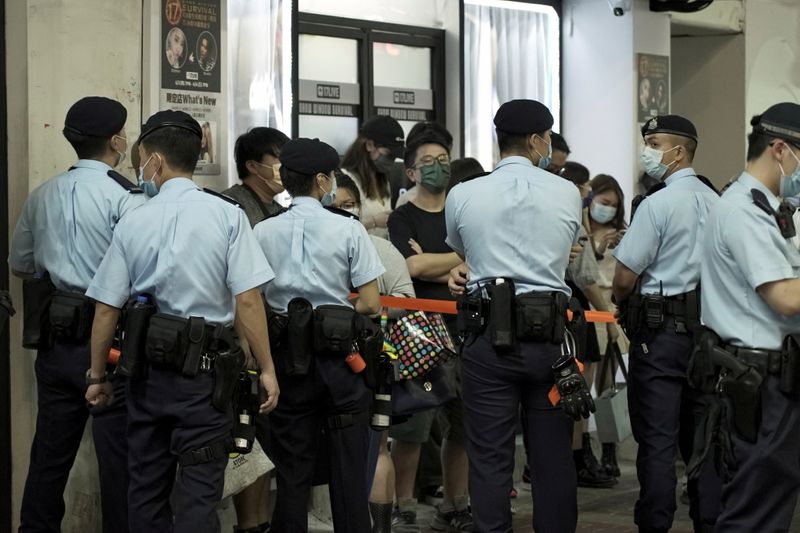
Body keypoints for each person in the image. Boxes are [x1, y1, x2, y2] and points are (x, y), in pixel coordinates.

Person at [84, 110, 279, 533]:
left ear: (153, 159)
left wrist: (98, 375)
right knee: (198, 493)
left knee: (146, 489)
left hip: (144, 376)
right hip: (205, 382)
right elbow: (247, 299)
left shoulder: (133, 218)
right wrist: (266, 368)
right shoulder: (227, 214)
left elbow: (105, 307)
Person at [447, 99, 591, 532]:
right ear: (534, 141)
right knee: (552, 459)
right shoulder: (565, 191)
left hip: (487, 339)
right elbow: (564, 245)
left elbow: (463, 250)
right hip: (550, 340)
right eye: (547, 139)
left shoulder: (463, 192)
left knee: (489, 458)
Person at [9, 96, 141, 533]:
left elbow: (21, 264)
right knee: (117, 462)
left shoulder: (42, 194)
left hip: (56, 338)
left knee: (49, 457)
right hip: (110, 345)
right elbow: (141, 272)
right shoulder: (126, 198)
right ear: (117, 141)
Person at [253, 138, 384, 532]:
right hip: (341, 360)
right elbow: (372, 303)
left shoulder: (262, 229)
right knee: (348, 468)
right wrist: (340, 311)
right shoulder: (349, 229)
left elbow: (252, 301)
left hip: (284, 360)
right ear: (324, 181)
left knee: (292, 471)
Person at [612, 115, 721, 533]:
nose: (647, 150)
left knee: (657, 442)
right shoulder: (719, 203)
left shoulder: (657, 204)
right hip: (708, 336)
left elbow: (624, 277)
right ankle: (708, 521)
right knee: (705, 439)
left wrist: (627, 305)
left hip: (660, 337)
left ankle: (655, 525)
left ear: (679, 151)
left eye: (654, 143)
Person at [698, 103, 800, 532]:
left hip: (771, 375)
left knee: (768, 502)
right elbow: (784, 297)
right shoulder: (743, 210)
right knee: (754, 511)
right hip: (760, 381)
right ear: (780, 149)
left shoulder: (766, 206)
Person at [387, 122, 472, 532]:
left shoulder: (463, 210)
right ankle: (402, 503)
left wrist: (437, 260)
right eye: (427, 162)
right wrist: (455, 259)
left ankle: (456, 503)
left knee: (464, 424)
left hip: (464, 327)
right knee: (413, 425)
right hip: (418, 331)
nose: (438, 167)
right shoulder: (402, 217)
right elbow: (411, 266)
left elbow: (475, 262)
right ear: (411, 172)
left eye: (443, 160)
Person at [331, 172, 414, 533]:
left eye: (348, 203)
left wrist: (366, 310)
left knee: (376, 447)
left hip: (370, 362)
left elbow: (406, 300)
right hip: (330, 362)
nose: (342, 210)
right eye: (336, 203)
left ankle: (379, 526)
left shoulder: (379, 248)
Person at [223, 126, 290, 533]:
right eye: (277, 159)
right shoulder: (234, 207)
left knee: (269, 435)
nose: (283, 168)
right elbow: (238, 288)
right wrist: (248, 343)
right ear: (253, 165)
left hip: (276, 337)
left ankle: (262, 521)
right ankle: (249, 524)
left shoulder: (279, 210)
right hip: (247, 342)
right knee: (249, 437)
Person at [341, 115, 405, 238]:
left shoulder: (383, 181)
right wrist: (373, 222)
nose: (390, 160)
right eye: (387, 153)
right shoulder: (345, 181)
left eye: (394, 156)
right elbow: (339, 230)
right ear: (369, 145)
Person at [225, 127, 290, 226]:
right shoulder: (228, 204)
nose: (288, 166)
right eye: (280, 157)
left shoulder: (281, 211)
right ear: (252, 166)